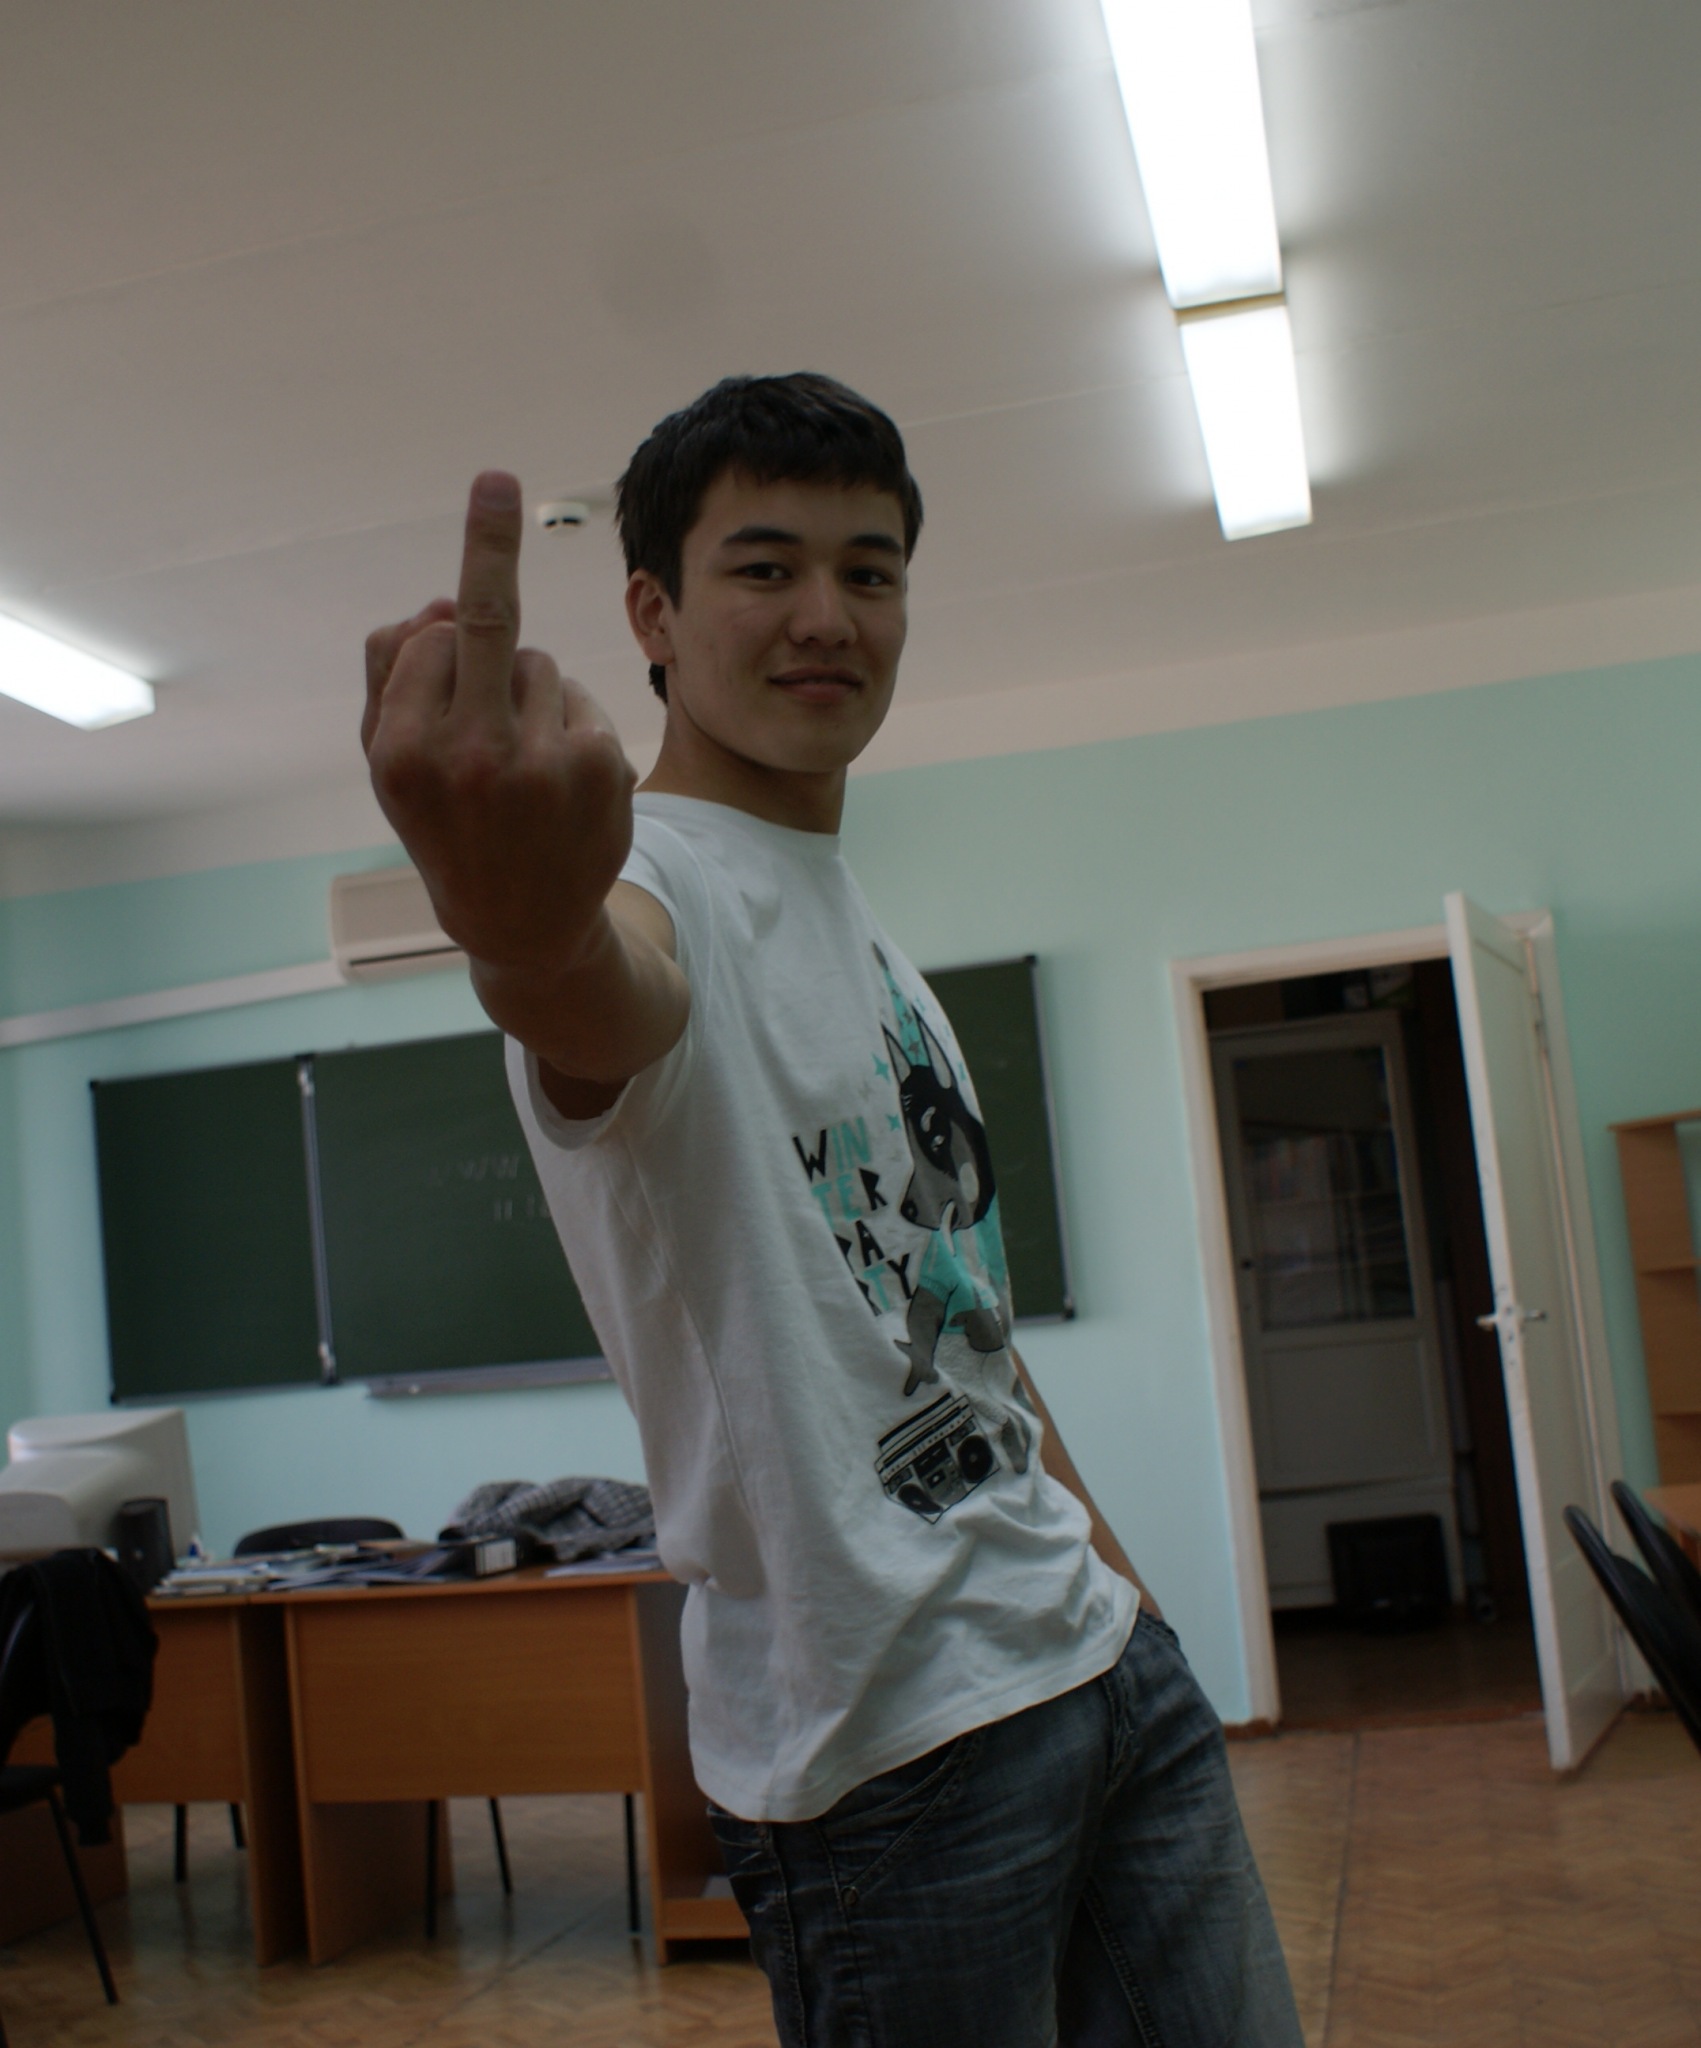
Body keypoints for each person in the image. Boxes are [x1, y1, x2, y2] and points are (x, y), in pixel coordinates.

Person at [362, 373, 1301, 2047]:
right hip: (895, 1754)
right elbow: (591, 990)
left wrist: (1128, 1603)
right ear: (651, 613)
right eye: (763, 567)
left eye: (869, 572)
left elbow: (963, 1326)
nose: (825, 615)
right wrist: (514, 925)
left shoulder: (857, 925)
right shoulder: (653, 888)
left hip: (1095, 1673)